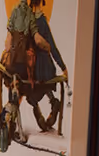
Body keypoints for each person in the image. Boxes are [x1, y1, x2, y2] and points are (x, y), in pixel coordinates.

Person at [27, 0, 68, 131]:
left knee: (32, 89)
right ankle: (53, 103)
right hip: (43, 65)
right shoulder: (41, 22)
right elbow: (52, 47)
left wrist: (63, 66)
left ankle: (41, 109)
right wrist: (62, 66)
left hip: (36, 65)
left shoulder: (31, 21)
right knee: (41, 85)